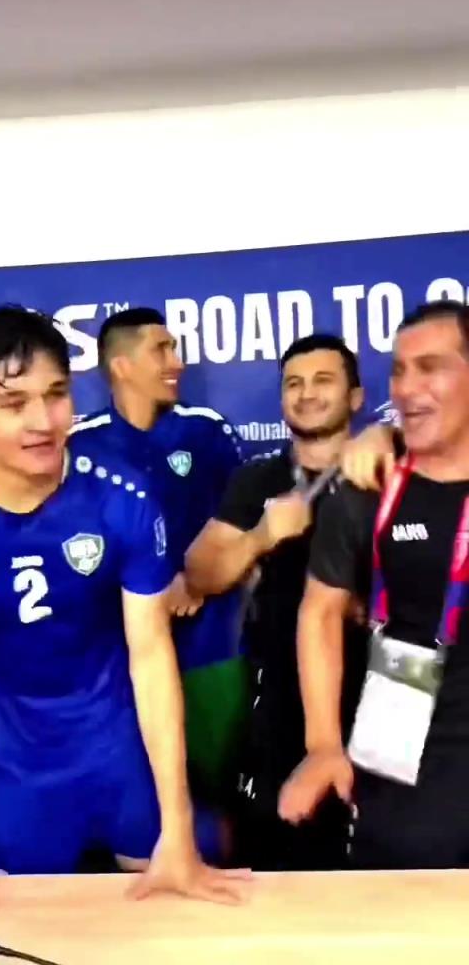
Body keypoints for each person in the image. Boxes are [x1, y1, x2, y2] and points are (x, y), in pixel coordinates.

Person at [0, 306, 247, 918]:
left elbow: (150, 656)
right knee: (29, 926)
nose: (42, 421)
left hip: (119, 749)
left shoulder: (122, 497)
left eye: (55, 394)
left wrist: (176, 824)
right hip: (14, 767)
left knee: (189, 913)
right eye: (13, 403)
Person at [280, 300, 469, 869]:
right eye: (399, 371)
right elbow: (319, 611)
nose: (407, 389)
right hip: (406, 760)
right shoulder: (368, 488)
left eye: (430, 368)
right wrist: (321, 746)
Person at [186, 334, 378, 870]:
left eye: (322, 381)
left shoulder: (389, 467)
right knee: (275, 852)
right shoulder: (258, 480)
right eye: (294, 383)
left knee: (384, 860)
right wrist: (261, 536)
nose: (306, 393)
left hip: (380, 693)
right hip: (280, 696)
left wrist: (386, 437)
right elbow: (201, 574)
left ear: (356, 397)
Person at [71, 308, 246, 806]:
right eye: (161, 349)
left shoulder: (206, 431)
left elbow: (247, 519)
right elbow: (71, 549)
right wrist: (145, 590)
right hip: (122, 660)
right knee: (142, 800)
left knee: (225, 795)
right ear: (122, 365)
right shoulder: (80, 448)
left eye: (175, 348)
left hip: (212, 647)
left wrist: (196, 578)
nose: (177, 362)